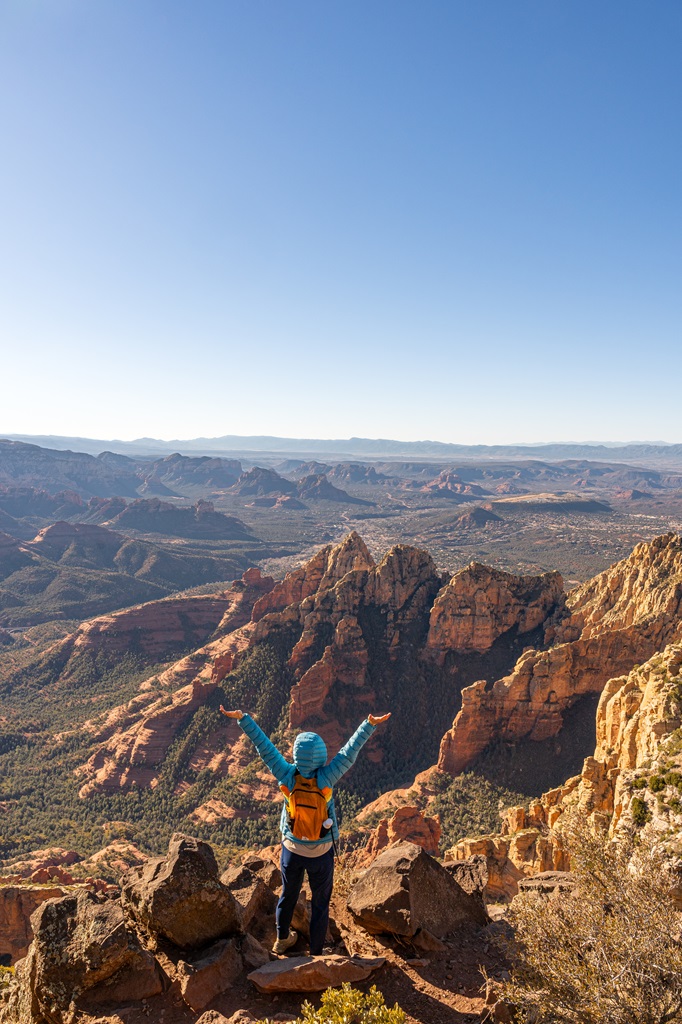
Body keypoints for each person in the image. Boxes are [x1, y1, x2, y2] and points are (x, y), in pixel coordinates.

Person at [220, 706, 391, 956]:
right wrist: (368, 725)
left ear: (297, 755)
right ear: (321, 756)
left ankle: (281, 939)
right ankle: (318, 951)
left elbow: (264, 748)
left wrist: (243, 719)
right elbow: (349, 753)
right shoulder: (327, 777)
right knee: (321, 902)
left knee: (288, 895)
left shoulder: (286, 774)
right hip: (321, 851)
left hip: (292, 848)